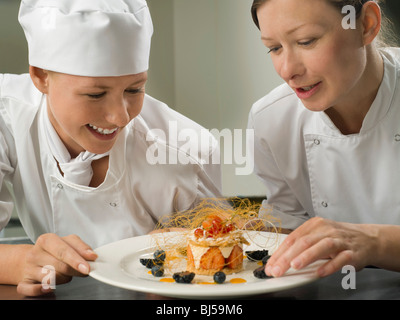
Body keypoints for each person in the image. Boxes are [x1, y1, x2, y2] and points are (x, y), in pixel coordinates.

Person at [0, 0, 221, 296]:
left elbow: (221, 269)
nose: (121, 116)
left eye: (135, 89)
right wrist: (19, 262)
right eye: (95, 94)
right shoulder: (6, 115)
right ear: (41, 76)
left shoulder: (185, 150)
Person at [248, 0, 400, 279]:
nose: (287, 70)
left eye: (306, 41)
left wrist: (376, 242)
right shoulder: (270, 120)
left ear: (366, 24)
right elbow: (287, 228)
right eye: (274, 48)